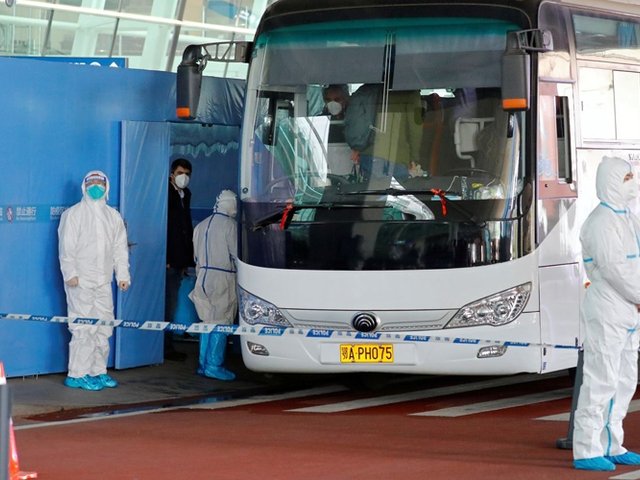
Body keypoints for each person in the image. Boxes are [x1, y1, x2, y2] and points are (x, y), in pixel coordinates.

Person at [573, 156, 640, 471]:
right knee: (601, 379)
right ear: (611, 182)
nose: (632, 183)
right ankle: (587, 449)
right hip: (608, 309)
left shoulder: (628, 217)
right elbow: (615, 270)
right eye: (626, 177)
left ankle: (613, 443)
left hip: (628, 310)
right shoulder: (601, 222)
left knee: (624, 380)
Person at [58, 170, 130, 391]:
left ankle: (97, 371)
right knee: (83, 327)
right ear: (84, 186)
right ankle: (77, 374)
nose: (96, 186)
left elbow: (120, 249)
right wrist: (70, 273)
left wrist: (123, 275)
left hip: (103, 281)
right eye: (92, 182)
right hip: (80, 282)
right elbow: (67, 247)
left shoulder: (113, 216)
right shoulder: (74, 214)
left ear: (107, 186)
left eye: (100, 182)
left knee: (104, 326)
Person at [188, 190, 238, 381]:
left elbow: (195, 256)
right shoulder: (230, 226)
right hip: (222, 279)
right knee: (221, 322)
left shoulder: (201, 226)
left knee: (206, 321)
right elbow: (236, 255)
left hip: (202, 277)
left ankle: (203, 364)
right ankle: (214, 365)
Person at [165, 158, 195, 361]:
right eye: (179, 173)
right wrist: (166, 257)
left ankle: (167, 346)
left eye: (187, 174)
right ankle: (164, 348)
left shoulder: (186, 194)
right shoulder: (166, 194)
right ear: (171, 175)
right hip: (168, 259)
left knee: (172, 303)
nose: (183, 177)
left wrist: (186, 260)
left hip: (179, 260)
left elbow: (186, 227)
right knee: (167, 304)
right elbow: (167, 228)